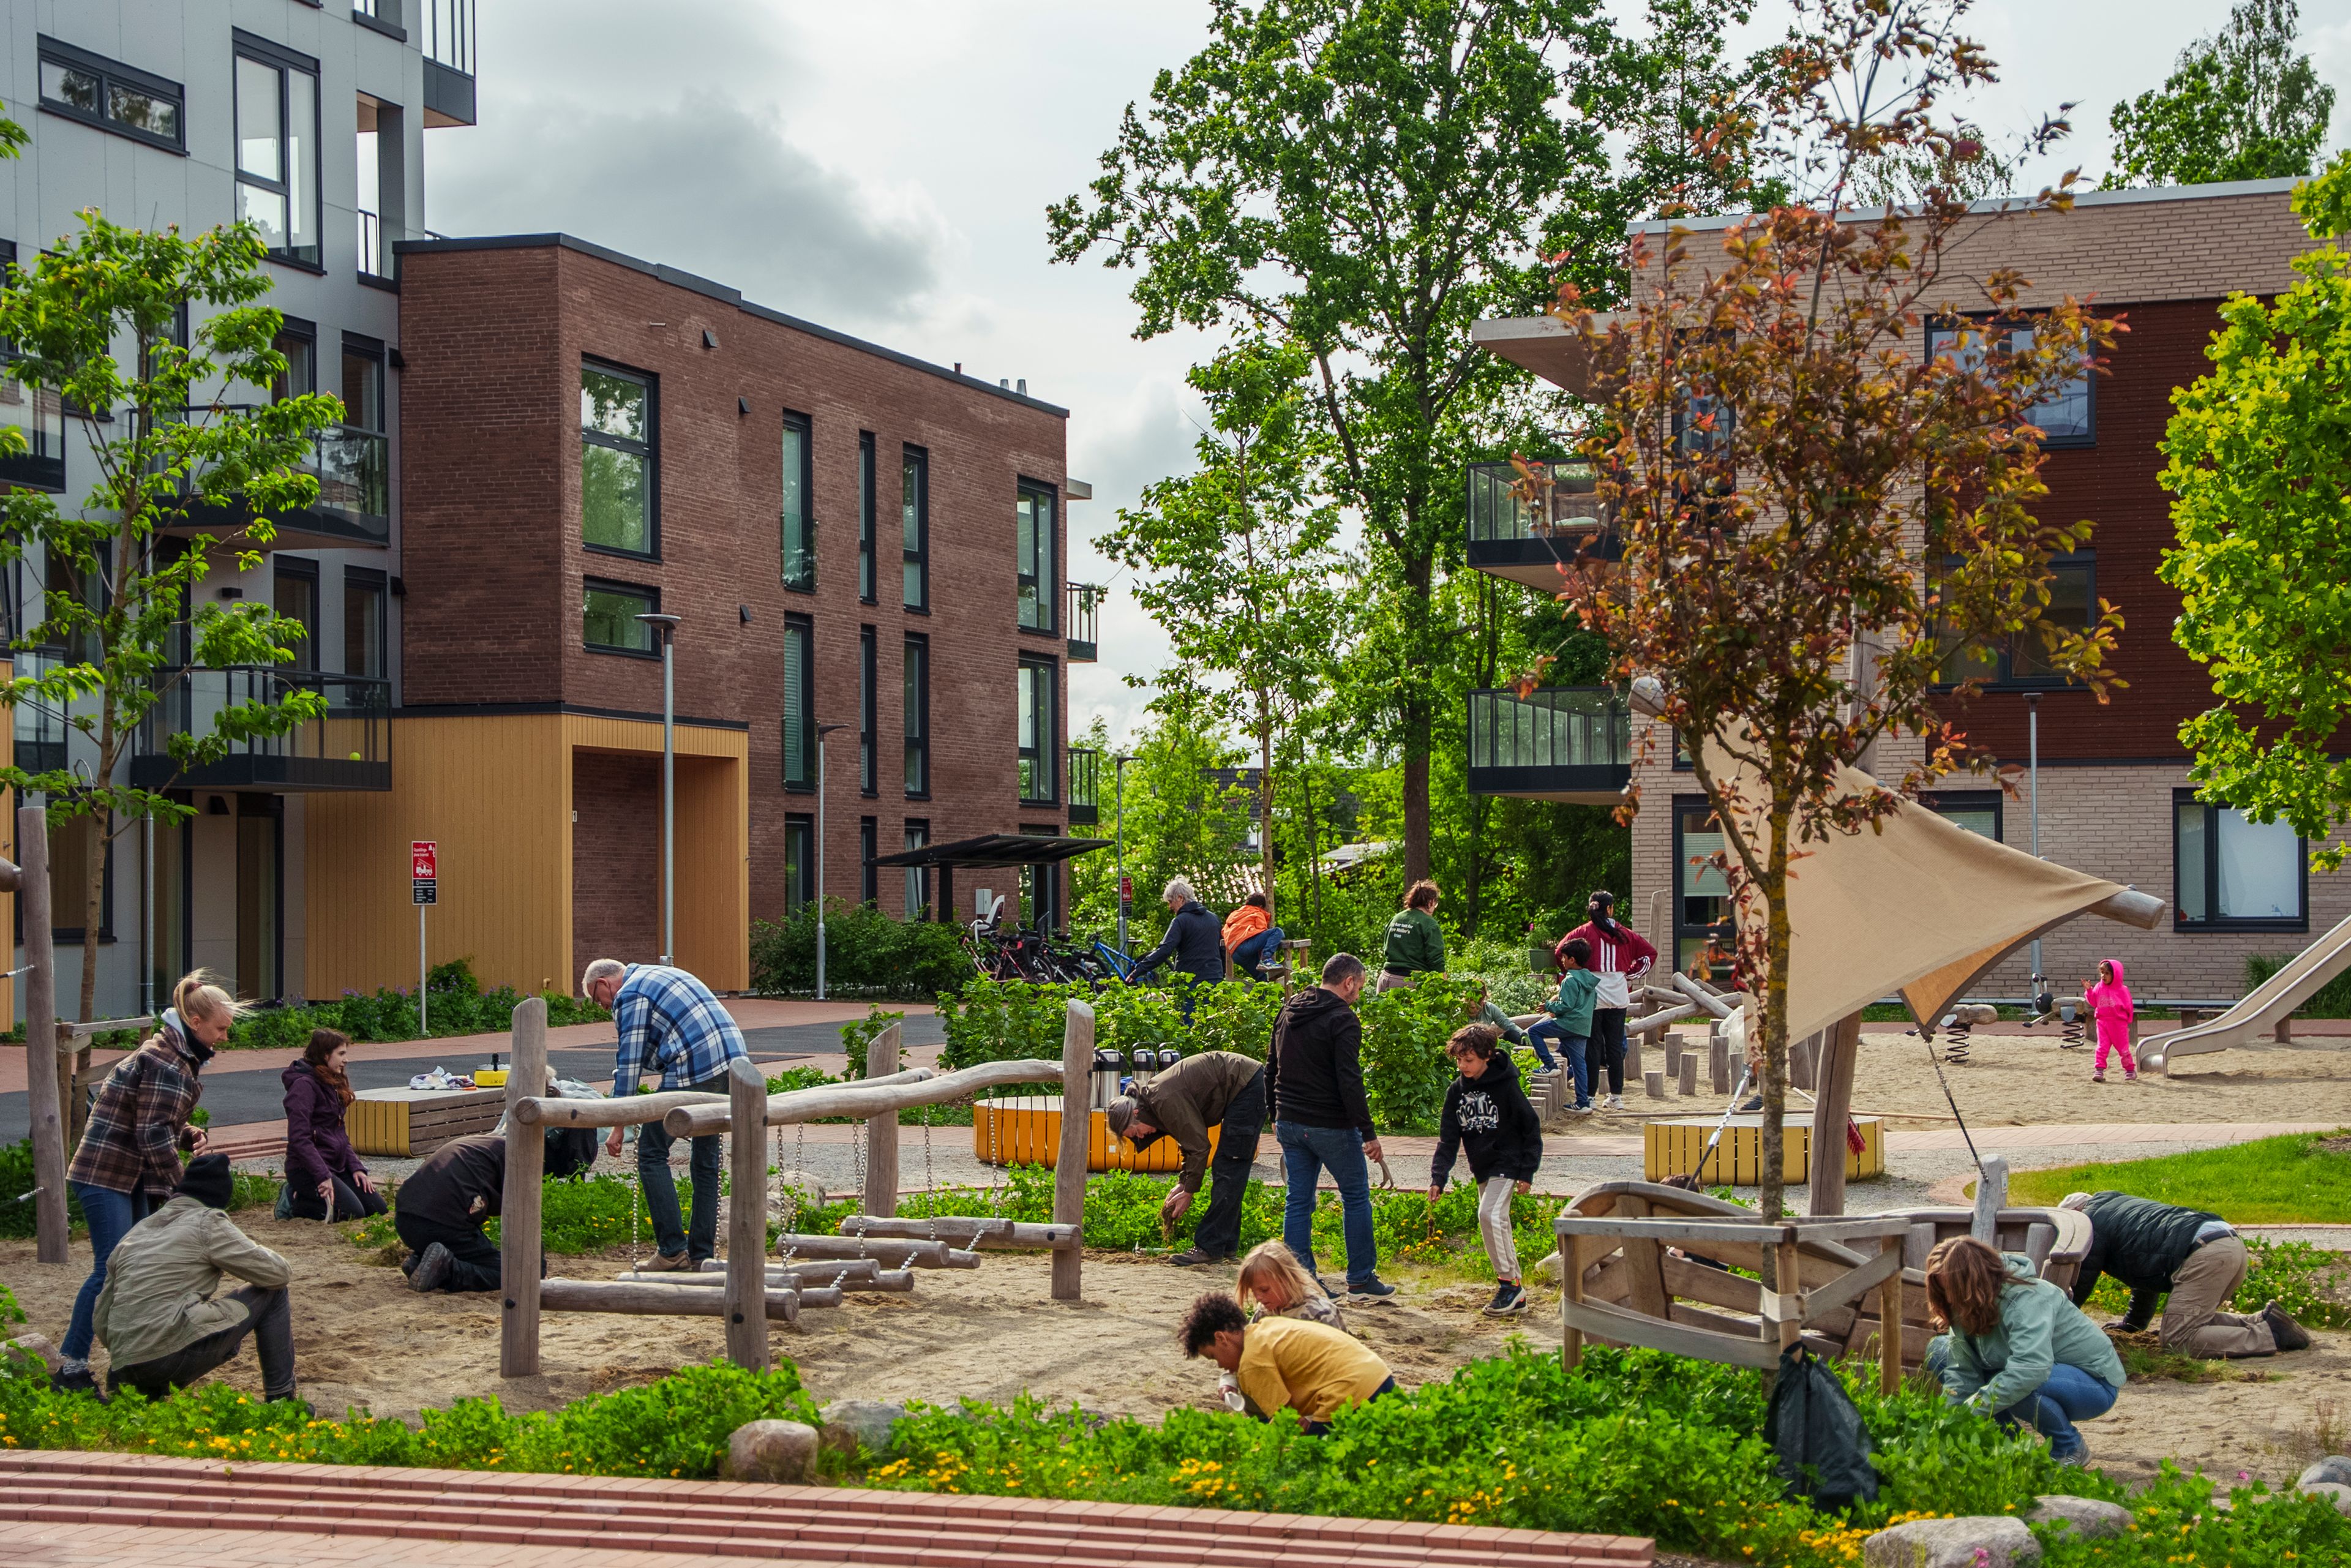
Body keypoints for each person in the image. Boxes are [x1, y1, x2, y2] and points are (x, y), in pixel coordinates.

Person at [53, 970, 236, 1395]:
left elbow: (153, 1117)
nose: (225, 1037)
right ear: (194, 1021)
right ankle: (71, 1367)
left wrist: (186, 1132)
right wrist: (183, 1190)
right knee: (110, 1268)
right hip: (104, 1173)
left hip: (129, 1174)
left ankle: (125, 1361)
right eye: (221, 1028)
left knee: (131, 1270)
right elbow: (151, 1132)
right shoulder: (165, 1059)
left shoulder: (175, 1053)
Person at [583, 958, 751, 1270]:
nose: (603, 1008)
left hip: (697, 1066)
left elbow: (630, 1064)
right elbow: (653, 1052)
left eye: (598, 1000)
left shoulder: (630, 994)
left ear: (603, 984)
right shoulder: (658, 974)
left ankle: (672, 1251)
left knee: (650, 1153)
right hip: (734, 1066)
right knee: (706, 1160)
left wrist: (618, 1126)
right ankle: (702, 1255)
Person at [92, 1153, 300, 1406]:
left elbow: (101, 1320)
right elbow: (278, 1273)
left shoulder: (136, 1233)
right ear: (218, 1199)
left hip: (122, 1370)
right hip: (167, 1361)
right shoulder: (208, 1221)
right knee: (274, 1292)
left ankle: (147, 1397)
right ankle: (282, 1400)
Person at [1924, 1235, 2126, 1466]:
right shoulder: (1962, 1301)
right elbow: (1963, 1373)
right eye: (1942, 1288)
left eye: (1952, 1289)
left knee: (2020, 1383)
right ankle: (2013, 1448)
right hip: (2033, 1371)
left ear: (1973, 1283)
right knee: (1940, 1352)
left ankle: (2069, 1448)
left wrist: (1972, 1408)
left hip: (2092, 1383)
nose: (1948, 1297)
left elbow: (2031, 1370)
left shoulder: (2027, 1298)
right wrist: (1951, 1424)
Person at [1265, 952, 1394, 1300]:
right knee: (1355, 1197)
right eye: (1359, 987)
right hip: (1330, 1123)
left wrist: (1274, 1114)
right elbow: (1349, 1081)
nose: (1358, 994)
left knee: (1298, 1199)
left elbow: (1271, 1066)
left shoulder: (1289, 1008)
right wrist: (1368, 1133)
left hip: (1289, 1119)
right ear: (1349, 982)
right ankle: (1360, 1279)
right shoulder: (1343, 1019)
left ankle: (1301, 1281)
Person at [2062, 1190, 2309, 1357]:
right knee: (2194, 1321)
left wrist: (2058, 1325)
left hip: (2205, 1254)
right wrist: (2133, 1325)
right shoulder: (2119, 1211)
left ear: (2075, 1214)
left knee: (2178, 1338)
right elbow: (2143, 1278)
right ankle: (2266, 1320)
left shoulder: (2090, 1222)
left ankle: (2271, 1336)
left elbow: (2082, 1280)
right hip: (2228, 1243)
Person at [1105, 1049, 1267, 1267]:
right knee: (1230, 1170)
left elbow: (1199, 1147)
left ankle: (1208, 1247)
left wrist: (1189, 1191)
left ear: (1136, 1115)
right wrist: (1183, 1182)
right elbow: (1188, 1141)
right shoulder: (1153, 1102)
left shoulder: (1163, 1099)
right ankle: (1226, 1246)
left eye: (1136, 1134)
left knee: (1229, 1166)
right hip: (1246, 1083)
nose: (1141, 1137)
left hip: (1247, 1085)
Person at [1429, 1024, 1543, 1317]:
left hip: (1508, 1161)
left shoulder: (1506, 1085)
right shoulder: (1456, 1092)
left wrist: (1527, 1170)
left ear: (1488, 1056)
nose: (1462, 1066)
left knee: (1488, 1214)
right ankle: (1515, 1288)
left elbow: (1530, 1126)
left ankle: (1508, 1285)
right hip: (1482, 1166)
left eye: (1469, 1060)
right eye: (1459, 1060)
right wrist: (1438, 1177)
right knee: (1498, 1221)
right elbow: (1448, 1139)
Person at [1179, 1291, 1397, 1435]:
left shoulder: (1251, 1364)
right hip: (1379, 1376)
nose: (1219, 1366)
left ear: (1221, 1338)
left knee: (1310, 1457)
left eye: (1214, 1357)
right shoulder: (1266, 1327)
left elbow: (1286, 1424)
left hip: (1350, 1393)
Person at [1553, 891, 1655, 1110]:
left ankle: (1589, 1097)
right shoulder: (1625, 933)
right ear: (1610, 909)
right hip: (1618, 993)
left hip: (1593, 993)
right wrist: (1629, 974)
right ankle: (1616, 1097)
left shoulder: (1583, 932)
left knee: (1592, 1046)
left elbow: (1560, 951)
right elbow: (1650, 955)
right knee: (1616, 1047)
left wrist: (1576, 975)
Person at [282, 1029, 387, 1221]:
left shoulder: (331, 1082)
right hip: (307, 1169)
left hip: (336, 1165)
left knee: (378, 1210)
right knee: (350, 1213)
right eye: (341, 1054)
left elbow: (339, 1134)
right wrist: (322, 1176)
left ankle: (319, 1193)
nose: (345, 1060)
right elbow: (299, 1139)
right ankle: (294, 1201)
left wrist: (356, 1168)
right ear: (325, 1055)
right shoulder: (303, 1086)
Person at [396, 1132, 508, 1292]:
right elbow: (524, 1218)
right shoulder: (511, 1155)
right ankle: (446, 1271)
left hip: (405, 1220)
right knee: (505, 1273)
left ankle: (420, 1262)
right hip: (441, 1224)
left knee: (475, 1252)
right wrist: (538, 1271)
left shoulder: (482, 1144)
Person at [1526, 937, 1601, 1114]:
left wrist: (1549, 1006)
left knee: (1534, 1031)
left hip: (1568, 1024)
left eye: (1564, 957)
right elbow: (1595, 1003)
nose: (1562, 960)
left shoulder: (1570, 980)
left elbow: (1565, 1006)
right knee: (1579, 1064)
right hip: (1583, 1027)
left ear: (1572, 960)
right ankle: (1583, 1102)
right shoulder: (1589, 980)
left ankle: (1549, 1065)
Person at [1131, 879, 1226, 1009]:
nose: (1170, 907)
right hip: (1215, 978)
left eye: (1170, 902)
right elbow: (1222, 950)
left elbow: (1165, 950)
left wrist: (1138, 970)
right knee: (1212, 1022)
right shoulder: (1214, 919)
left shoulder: (1180, 921)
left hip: (1190, 980)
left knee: (1190, 1024)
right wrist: (1222, 974)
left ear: (1180, 898)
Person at [1236, 1240, 1348, 1330]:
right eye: (1253, 1291)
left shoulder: (1317, 1314)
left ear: (1287, 1280)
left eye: (1264, 1290)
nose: (1258, 1298)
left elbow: (1338, 1355)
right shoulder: (1265, 1311)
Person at [1378, 880, 1445, 992]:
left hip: (1386, 979)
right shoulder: (1429, 924)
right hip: (1410, 984)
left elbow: (1387, 948)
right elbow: (1437, 961)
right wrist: (1445, 987)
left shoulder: (1396, 918)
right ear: (1431, 902)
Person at [2084, 960, 2137, 1084]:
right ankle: (2099, 1070)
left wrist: (2128, 1021)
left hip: (2118, 1025)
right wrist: (2089, 991)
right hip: (2103, 1023)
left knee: (2123, 1049)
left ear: (2115, 975)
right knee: (2101, 1048)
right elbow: (2094, 1002)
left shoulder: (2122, 990)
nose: (2104, 976)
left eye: (2107, 973)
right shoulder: (2099, 987)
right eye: (2102, 973)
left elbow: (2129, 1006)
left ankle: (2130, 1070)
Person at [1224, 892, 1286, 982]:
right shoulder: (1257, 912)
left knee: (1261, 977)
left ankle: (1262, 996)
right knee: (1277, 932)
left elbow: (1224, 931)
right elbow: (1261, 930)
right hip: (1245, 946)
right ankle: (1266, 959)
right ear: (1261, 906)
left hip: (1234, 953)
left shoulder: (1235, 915)